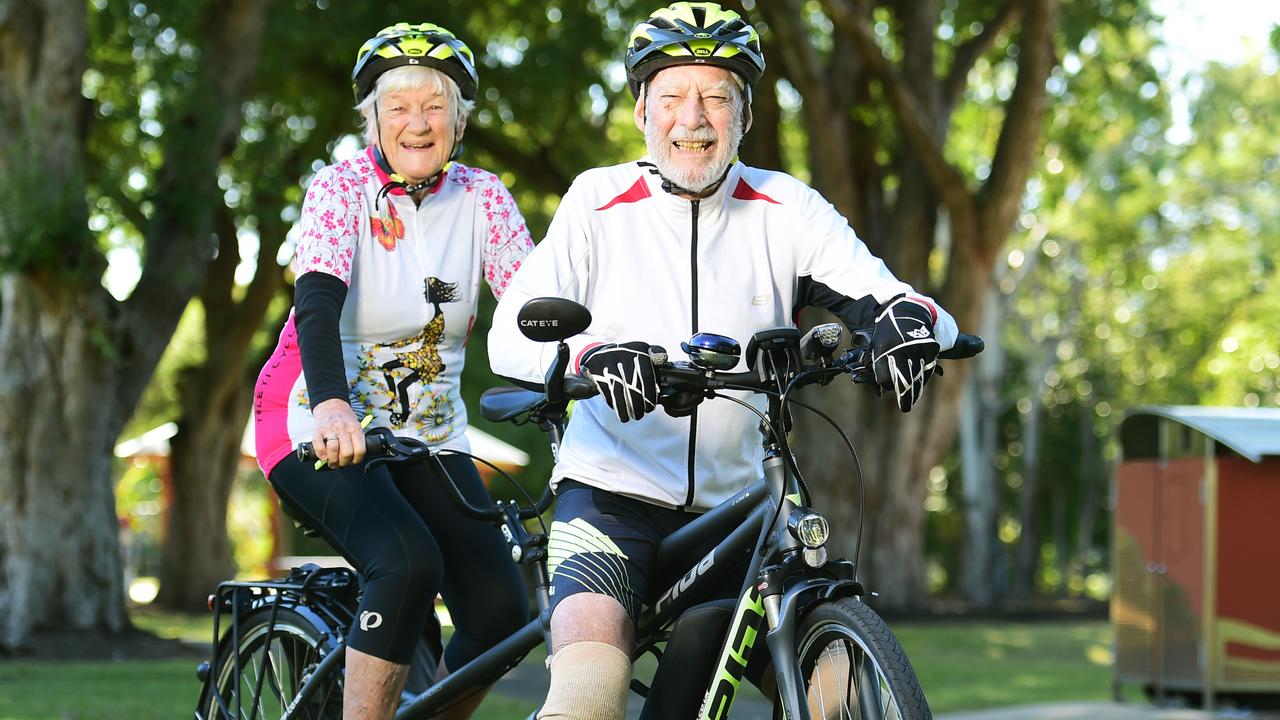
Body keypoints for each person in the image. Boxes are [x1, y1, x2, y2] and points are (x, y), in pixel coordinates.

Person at [487, 3, 961, 718]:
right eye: (673, 95)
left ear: (744, 115)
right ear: (643, 109)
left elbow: (901, 301)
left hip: (742, 513)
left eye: (717, 96)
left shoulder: (786, 207)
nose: (694, 117)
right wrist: (591, 353)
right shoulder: (598, 201)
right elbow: (508, 336)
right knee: (587, 701)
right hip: (610, 500)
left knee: (845, 700)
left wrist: (911, 323)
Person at [253, 22, 533, 720]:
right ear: (372, 118)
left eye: (435, 106)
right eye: (398, 106)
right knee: (407, 562)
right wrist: (332, 406)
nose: (417, 122)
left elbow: (533, 307)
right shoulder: (338, 189)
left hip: (429, 435)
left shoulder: (484, 197)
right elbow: (315, 307)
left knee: (502, 611)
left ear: (460, 120)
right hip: (310, 419)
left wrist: (579, 369)